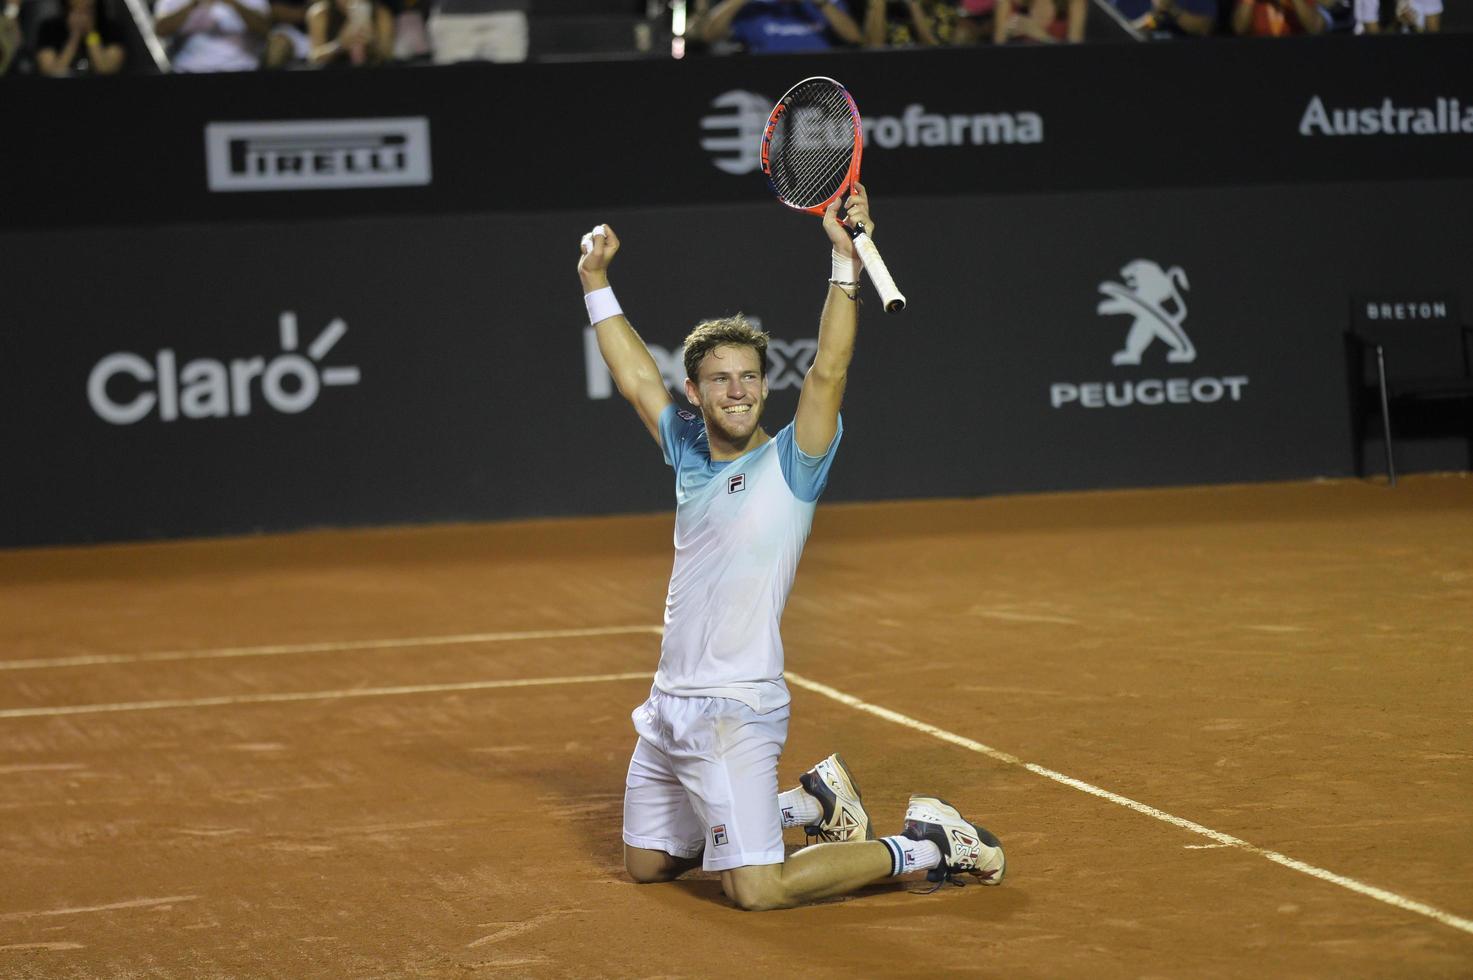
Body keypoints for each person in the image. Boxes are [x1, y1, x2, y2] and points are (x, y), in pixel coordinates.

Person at [576, 185, 1006, 911]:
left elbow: (828, 371)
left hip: (737, 708)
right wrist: (595, 281)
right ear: (697, 391)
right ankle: (812, 805)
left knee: (756, 889)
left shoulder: (792, 463)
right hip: (668, 706)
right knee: (646, 865)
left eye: (749, 376)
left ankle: (932, 843)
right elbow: (633, 376)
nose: (738, 390)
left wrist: (844, 266)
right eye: (720, 379)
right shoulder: (685, 450)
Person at [694, 0, 862, 53]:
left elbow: (855, 38)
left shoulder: (823, 5)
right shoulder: (756, 10)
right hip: (770, 87)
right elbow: (708, 34)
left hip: (820, 87)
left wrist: (822, 4)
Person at [154, 0, 272, 71]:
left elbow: (265, 28)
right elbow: (160, 30)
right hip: (188, 72)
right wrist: (195, 3)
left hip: (242, 71)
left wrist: (231, 2)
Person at [35, 0, 126, 75]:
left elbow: (105, 70)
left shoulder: (111, 28)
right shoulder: (50, 28)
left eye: (87, 10)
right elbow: (52, 72)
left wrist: (90, 33)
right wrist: (74, 36)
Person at [306, 0, 393, 65]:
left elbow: (386, 54)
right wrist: (340, 45)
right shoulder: (321, 14)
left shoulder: (380, 14)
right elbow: (315, 57)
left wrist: (372, 42)